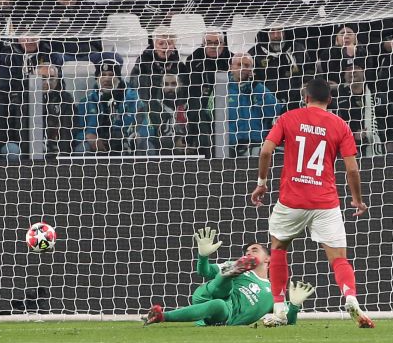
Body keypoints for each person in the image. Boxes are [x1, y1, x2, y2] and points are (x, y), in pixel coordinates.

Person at [250, 77, 372, 328]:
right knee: (338, 258)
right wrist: (357, 200)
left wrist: (262, 182)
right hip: (325, 202)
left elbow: (265, 151)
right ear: (330, 100)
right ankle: (350, 297)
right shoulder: (341, 125)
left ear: (305, 98)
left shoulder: (288, 118)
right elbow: (352, 170)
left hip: (292, 201)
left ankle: (280, 307)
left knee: (279, 250)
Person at [145, 229, 297, 327]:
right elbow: (203, 271)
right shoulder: (235, 265)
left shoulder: (274, 291)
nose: (249, 253)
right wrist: (203, 256)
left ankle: (161, 316)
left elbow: (287, 320)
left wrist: (296, 305)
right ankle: (227, 275)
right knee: (226, 284)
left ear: (268, 259)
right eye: (247, 251)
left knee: (219, 304)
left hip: (223, 312)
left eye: (255, 250)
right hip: (206, 294)